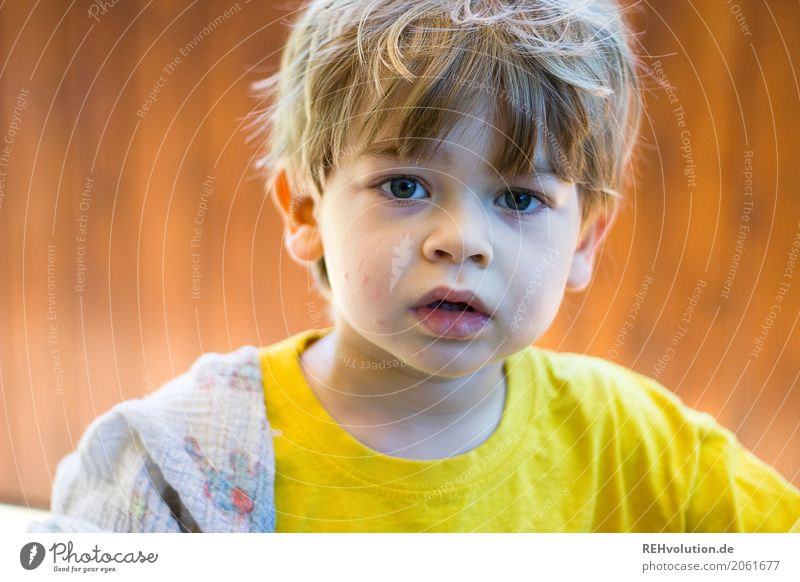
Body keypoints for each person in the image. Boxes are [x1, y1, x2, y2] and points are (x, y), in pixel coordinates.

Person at [30, 0, 799, 533]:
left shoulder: (641, 448)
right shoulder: (176, 462)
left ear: (587, 241)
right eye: (405, 186)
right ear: (304, 212)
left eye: (521, 199)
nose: (462, 241)